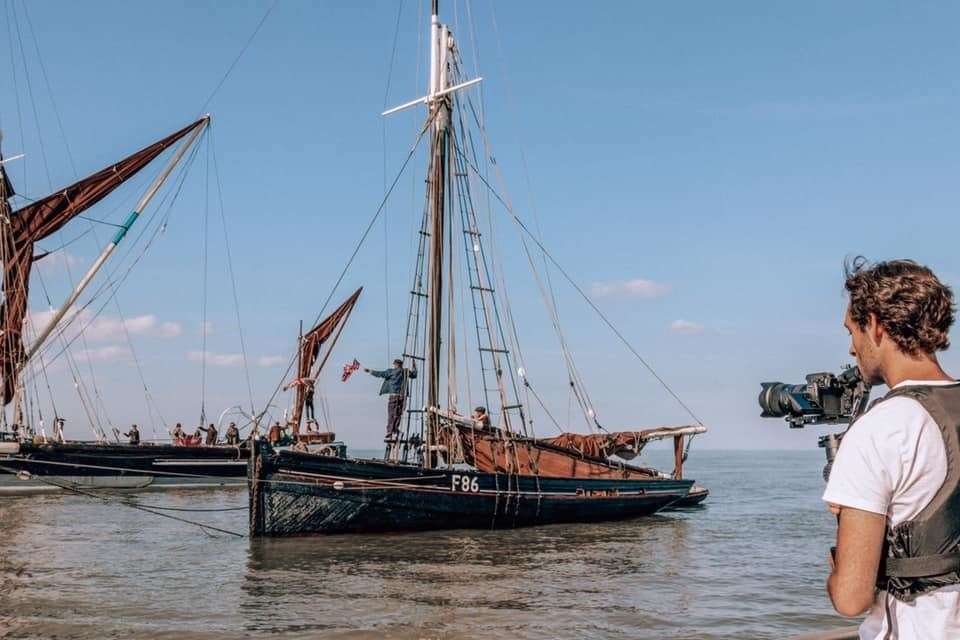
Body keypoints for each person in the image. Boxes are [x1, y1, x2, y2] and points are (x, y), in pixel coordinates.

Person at [823, 257, 959, 639]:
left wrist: (836, 559)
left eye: (852, 331)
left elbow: (851, 599)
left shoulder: (878, 429)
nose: (852, 349)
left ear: (877, 326)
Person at [364, 358, 417, 441]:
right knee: (398, 414)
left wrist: (370, 371)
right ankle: (395, 430)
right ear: (401, 365)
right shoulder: (406, 371)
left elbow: (380, 374)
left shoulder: (391, 372)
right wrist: (414, 366)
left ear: (395, 365)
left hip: (394, 396)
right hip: (402, 396)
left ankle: (390, 431)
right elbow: (414, 375)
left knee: (391, 414)